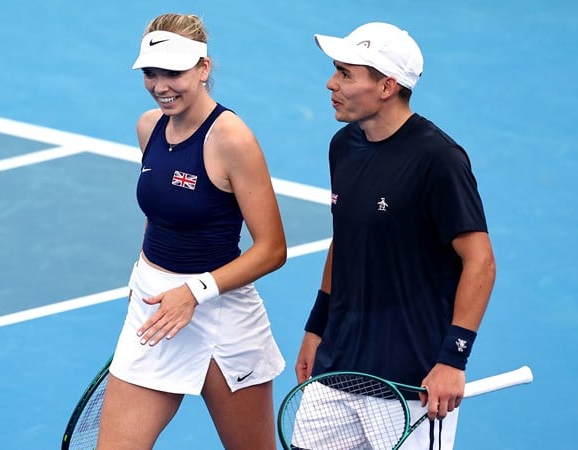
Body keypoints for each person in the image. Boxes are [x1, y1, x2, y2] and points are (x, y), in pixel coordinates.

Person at [294, 22, 497, 450]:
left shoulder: (439, 159)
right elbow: (345, 237)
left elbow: (480, 261)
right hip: (337, 370)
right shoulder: (343, 145)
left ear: (387, 86)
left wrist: (452, 359)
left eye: (346, 74)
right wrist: (317, 327)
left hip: (410, 384)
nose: (331, 83)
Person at [97, 13, 287, 450]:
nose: (161, 84)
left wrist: (194, 292)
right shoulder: (149, 126)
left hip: (221, 313)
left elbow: (273, 250)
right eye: (151, 72)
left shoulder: (232, 140)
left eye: (174, 72)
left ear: (203, 68)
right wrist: (142, 274)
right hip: (154, 310)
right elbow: (162, 211)